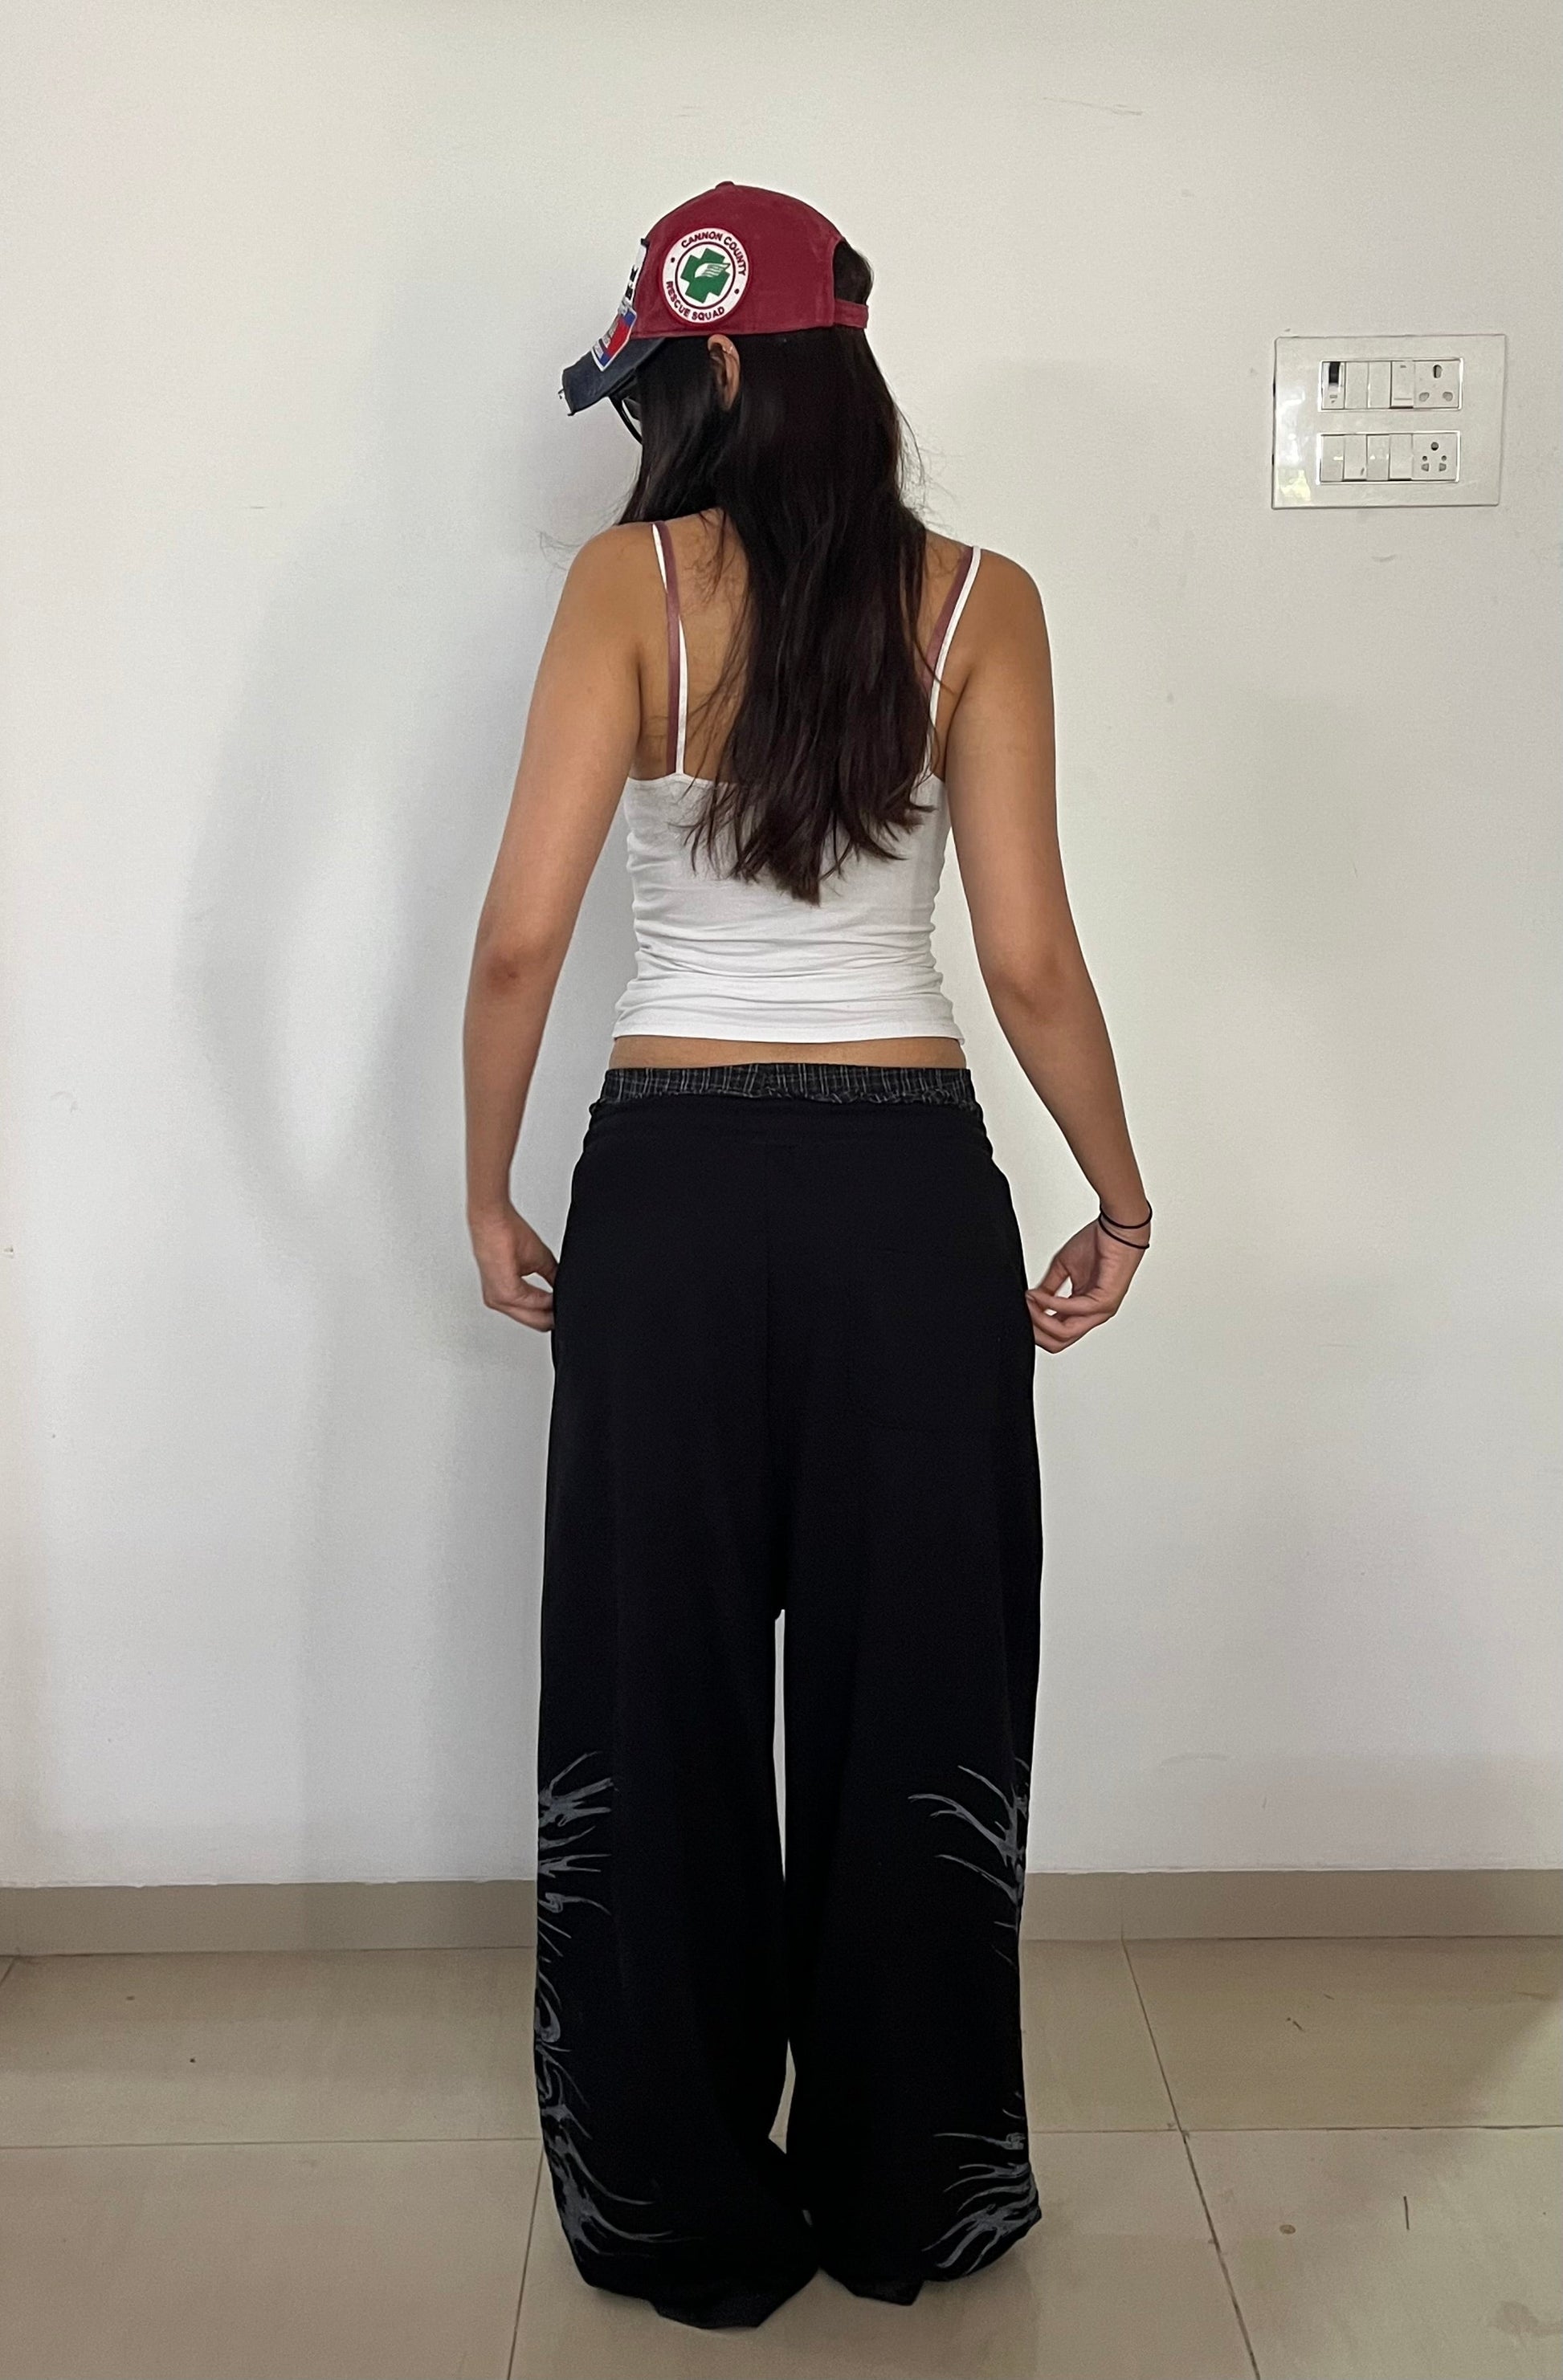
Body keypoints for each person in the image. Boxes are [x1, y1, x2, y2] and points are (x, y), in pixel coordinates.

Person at [463, 181, 1152, 2331]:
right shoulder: (983, 602)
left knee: (652, 1689)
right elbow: (1024, 957)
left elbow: (518, 942)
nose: (643, 427)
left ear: (718, 364)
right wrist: (1119, 1194)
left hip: (671, 1204)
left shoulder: (629, 587)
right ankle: (908, 2188)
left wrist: (484, 1191)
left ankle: (674, 2196)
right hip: (905, 1210)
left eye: (653, 388)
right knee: (916, 1690)